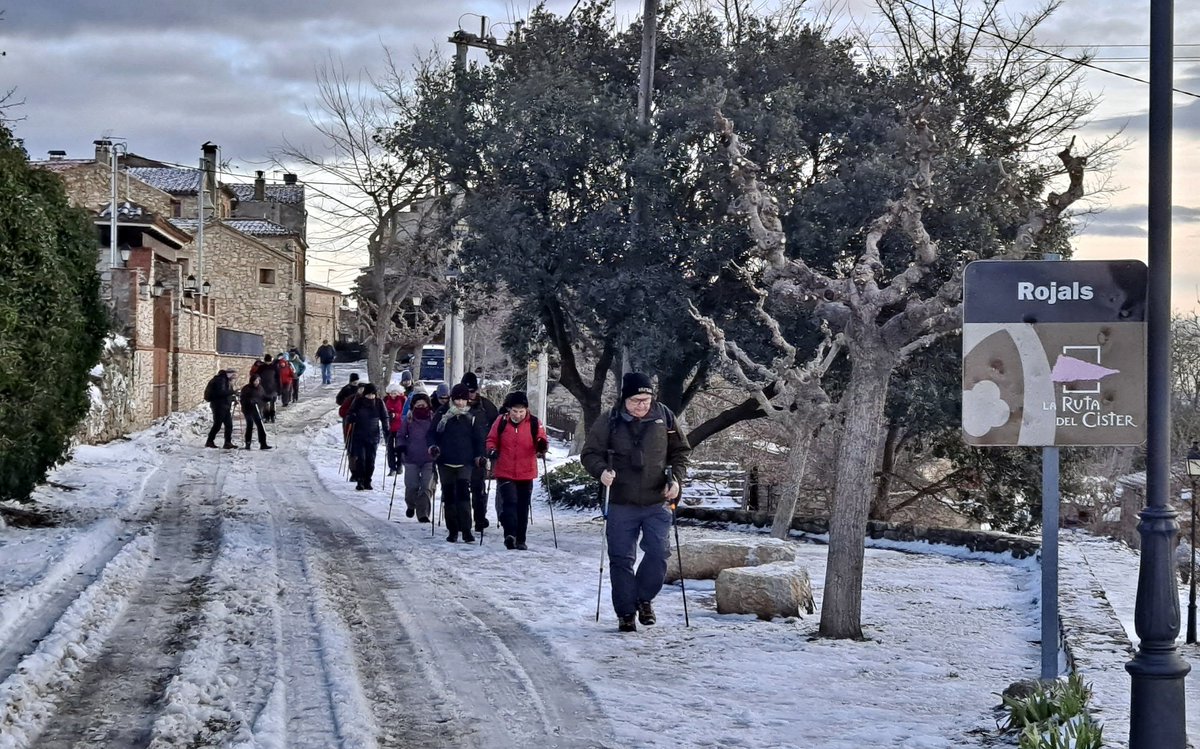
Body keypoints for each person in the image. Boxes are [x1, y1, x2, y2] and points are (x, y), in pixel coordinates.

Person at [581, 372, 690, 633]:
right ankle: (626, 613)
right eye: (636, 400)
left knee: (659, 553)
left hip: (657, 500)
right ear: (624, 399)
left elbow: (681, 452)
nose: (642, 405)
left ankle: (643, 598)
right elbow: (589, 454)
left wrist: (676, 480)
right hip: (620, 500)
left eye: (646, 399)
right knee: (621, 559)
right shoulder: (610, 419)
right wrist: (601, 472)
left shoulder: (664, 416)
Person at [486, 391, 548, 550]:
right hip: (505, 469)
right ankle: (510, 535)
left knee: (522, 505)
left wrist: (542, 446)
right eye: (515, 411)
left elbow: (541, 438)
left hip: (526, 471)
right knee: (510, 502)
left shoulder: (534, 423)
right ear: (508, 409)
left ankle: (521, 539)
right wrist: (492, 450)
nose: (518, 415)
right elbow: (491, 439)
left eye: (521, 411)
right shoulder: (501, 422)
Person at [429, 383, 484, 543]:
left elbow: (479, 439)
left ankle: (466, 530)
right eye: (457, 399)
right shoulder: (442, 414)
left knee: (464, 496)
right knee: (449, 496)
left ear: (468, 400)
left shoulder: (473, 416)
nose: (460, 403)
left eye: (463, 399)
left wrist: (480, 455)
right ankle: (452, 530)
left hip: (465, 461)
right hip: (445, 460)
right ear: (452, 399)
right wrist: (432, 447)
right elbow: (432, 434)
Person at [462, 371, 499, 533]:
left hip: (480, 454)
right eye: (468, 391)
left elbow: (497, 428)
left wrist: (493, 448)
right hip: (460, 454)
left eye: (473, 391)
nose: (471, 394)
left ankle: (479, 519)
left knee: (478, 488)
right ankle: (463, 519)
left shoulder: (486, 407)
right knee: (461, 488)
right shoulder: (454, 405)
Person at [395, 392, 436, 522]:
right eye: (418, 405)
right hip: (411, 457)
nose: (421, 407)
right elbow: (400, 435)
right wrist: (401, 446)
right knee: (411, 486)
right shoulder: (408, 419)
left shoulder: (433, 418)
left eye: (423, 405)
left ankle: (423, 513)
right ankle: (411, 504)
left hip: (429, 458)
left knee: (426, 486)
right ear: (413, 406)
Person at [347, 383, 389, 490]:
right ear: (365, 394)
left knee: (371, 460)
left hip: (373, 435)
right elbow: (350, 412)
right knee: (361, 459)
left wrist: (386, 429)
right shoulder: (359, 402)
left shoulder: (379, 403)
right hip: (359, 435)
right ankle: (360, 480)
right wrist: (352, 417)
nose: (370, 396)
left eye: (372, 394)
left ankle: (368, 480)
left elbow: (385, 417)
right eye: (368, 394)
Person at [204, 369, 238, 449]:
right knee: (217, 425)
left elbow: (226, 394)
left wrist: (233, 399)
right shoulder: (220, 380)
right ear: (229, 374)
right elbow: (220, 393)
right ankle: (209, 441)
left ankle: (227, 443)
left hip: (225, 406)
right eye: (234, 376)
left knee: (229, 425)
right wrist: (233, 392)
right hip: (218, 406)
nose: (234, 378)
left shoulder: (225, 380)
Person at [239, 373, 272, 450]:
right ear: (252, 381)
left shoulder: (260, 388)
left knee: (260, 426)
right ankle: (248, 443)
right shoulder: (246, 388)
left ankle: (263, 443)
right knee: (250, 425)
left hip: (257, 409)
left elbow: (263, 397)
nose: (256, 382)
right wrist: (249, 401)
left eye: (258, 380)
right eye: (255, 380)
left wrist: (270, 397)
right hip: (248, 410)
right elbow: (242, 399)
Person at [383, 382, 407, 476]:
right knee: (390, 448)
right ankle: (392, 467)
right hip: (389, 427)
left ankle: (399, 465)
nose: (393, 395)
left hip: (399, 427)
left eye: (395, 393)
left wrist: (395, 415)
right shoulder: (386, 400)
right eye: (391, 393)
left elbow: (404, 413)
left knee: (399, 447)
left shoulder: (403, 400)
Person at [257, 354, 280, 423]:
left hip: (273, 388)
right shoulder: (261, 368)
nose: (268, 363)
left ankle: (272, 416)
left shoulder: (274, 367)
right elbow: (257, 376)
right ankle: (267, 416)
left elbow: (278, 378)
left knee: (272, 403)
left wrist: (279, 388)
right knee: (266, 403)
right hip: (264, 388)